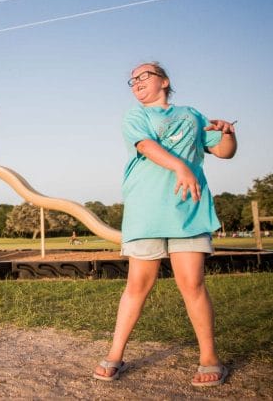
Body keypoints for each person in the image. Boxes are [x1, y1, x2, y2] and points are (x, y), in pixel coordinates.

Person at [93, 62, 236, 388]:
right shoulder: (136, 116)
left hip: (187, 211)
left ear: (164, 81)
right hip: (147, 211)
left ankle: (210, 358)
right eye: (132, 79)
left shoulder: (191, 114)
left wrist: (228, 133)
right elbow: (146, 146)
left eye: (144, 75)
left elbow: (223, 151)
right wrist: (180, 167)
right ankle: (115, 354)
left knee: (193, 284)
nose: (137, 82)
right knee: (137, 286)